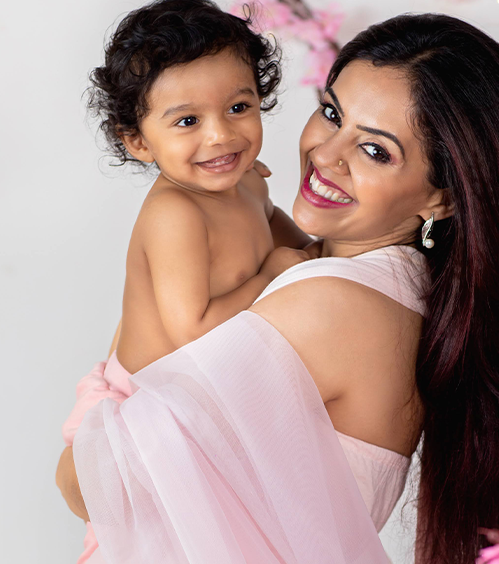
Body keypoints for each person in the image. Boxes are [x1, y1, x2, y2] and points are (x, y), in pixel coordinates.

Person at [57, 12, 499, 564]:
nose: (326, 155)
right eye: (332, 114)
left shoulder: (332, 307)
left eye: (376, 150)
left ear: (444, 198)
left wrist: (102, 409)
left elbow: (84, 484)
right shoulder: (401, 288)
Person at [60, 1, 311, 561]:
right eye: (187, 121)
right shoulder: (176, 213)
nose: (221, 135)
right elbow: (192, 328)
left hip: (199, 398)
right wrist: (274, 272)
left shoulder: (248, 183)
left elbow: (295, 247)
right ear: (139, 142)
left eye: (239, 107)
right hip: (144, 406)